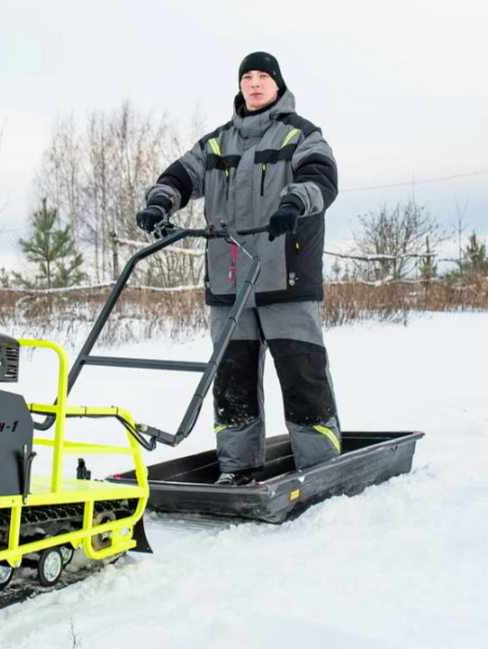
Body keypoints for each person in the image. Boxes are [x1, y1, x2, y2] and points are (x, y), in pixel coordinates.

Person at [136, 51, 341, 485]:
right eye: (247, 77)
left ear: (278, 84)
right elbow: (180, 176)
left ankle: (320, 465)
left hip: (285, 277)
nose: (254, 83)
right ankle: (237, 468)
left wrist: (294, 202)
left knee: (302, 376)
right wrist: (159, 203)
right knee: (232, 382)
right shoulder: (215, 144)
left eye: (263, 76)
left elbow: (321, 178)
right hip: (229, 283)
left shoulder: (301, 135)